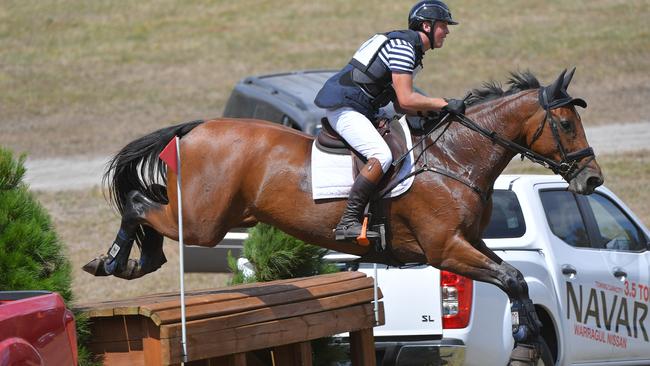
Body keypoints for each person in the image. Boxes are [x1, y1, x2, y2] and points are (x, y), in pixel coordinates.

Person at [314, 0, 466, 242]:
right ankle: (348, 221)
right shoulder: (404, 47)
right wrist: (444, 103)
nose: (446, 31)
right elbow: (407, 98)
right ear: (427, 26)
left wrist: (436, 113)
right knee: (381, 154)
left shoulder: (409, 48)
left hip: (360, 108)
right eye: (443, 25)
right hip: (345, 108)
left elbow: (399, 104)